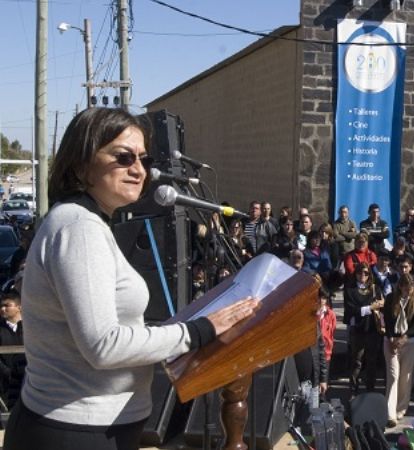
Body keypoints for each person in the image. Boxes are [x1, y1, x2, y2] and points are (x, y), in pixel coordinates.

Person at [3, 108, 259, 450]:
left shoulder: (87, 223)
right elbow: (102, 345)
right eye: (123, 157)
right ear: (81, 165)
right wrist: (199, 331)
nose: (139, 169)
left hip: (95, 427)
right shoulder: (78, 228)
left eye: (143, 158)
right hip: (75, 431)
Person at [382, 274, 414, 427]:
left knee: (406, 377)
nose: (408, 289)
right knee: (393, 375)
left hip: (409, 342)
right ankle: (390, 413)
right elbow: (387, 318)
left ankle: (401, 408)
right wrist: (392, 338)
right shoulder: (391, 298)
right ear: (400, 286)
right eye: (405, 286)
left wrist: (406, 337)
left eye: (410, 286)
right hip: (391, 341)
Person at [344, 263, 384, 396]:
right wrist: (369, 308)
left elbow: (380, 305)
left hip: (372, 328)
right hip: (358, 330)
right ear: (355, 274)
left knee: (372, 361)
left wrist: (377, 306)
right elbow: (351, 310)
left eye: (366, 273)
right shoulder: (350, 290)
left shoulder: (375, 288)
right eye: (360, 273)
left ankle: (370, 390)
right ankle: (353, 390)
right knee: (356, 362)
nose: (363, 276)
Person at [0, 291, 24, 410]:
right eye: (1, 306)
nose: (3, 309)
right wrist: (7, 372)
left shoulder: (29, 327)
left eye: (7, 305)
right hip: (5, 385)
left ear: (19, 307)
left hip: (28, 381)